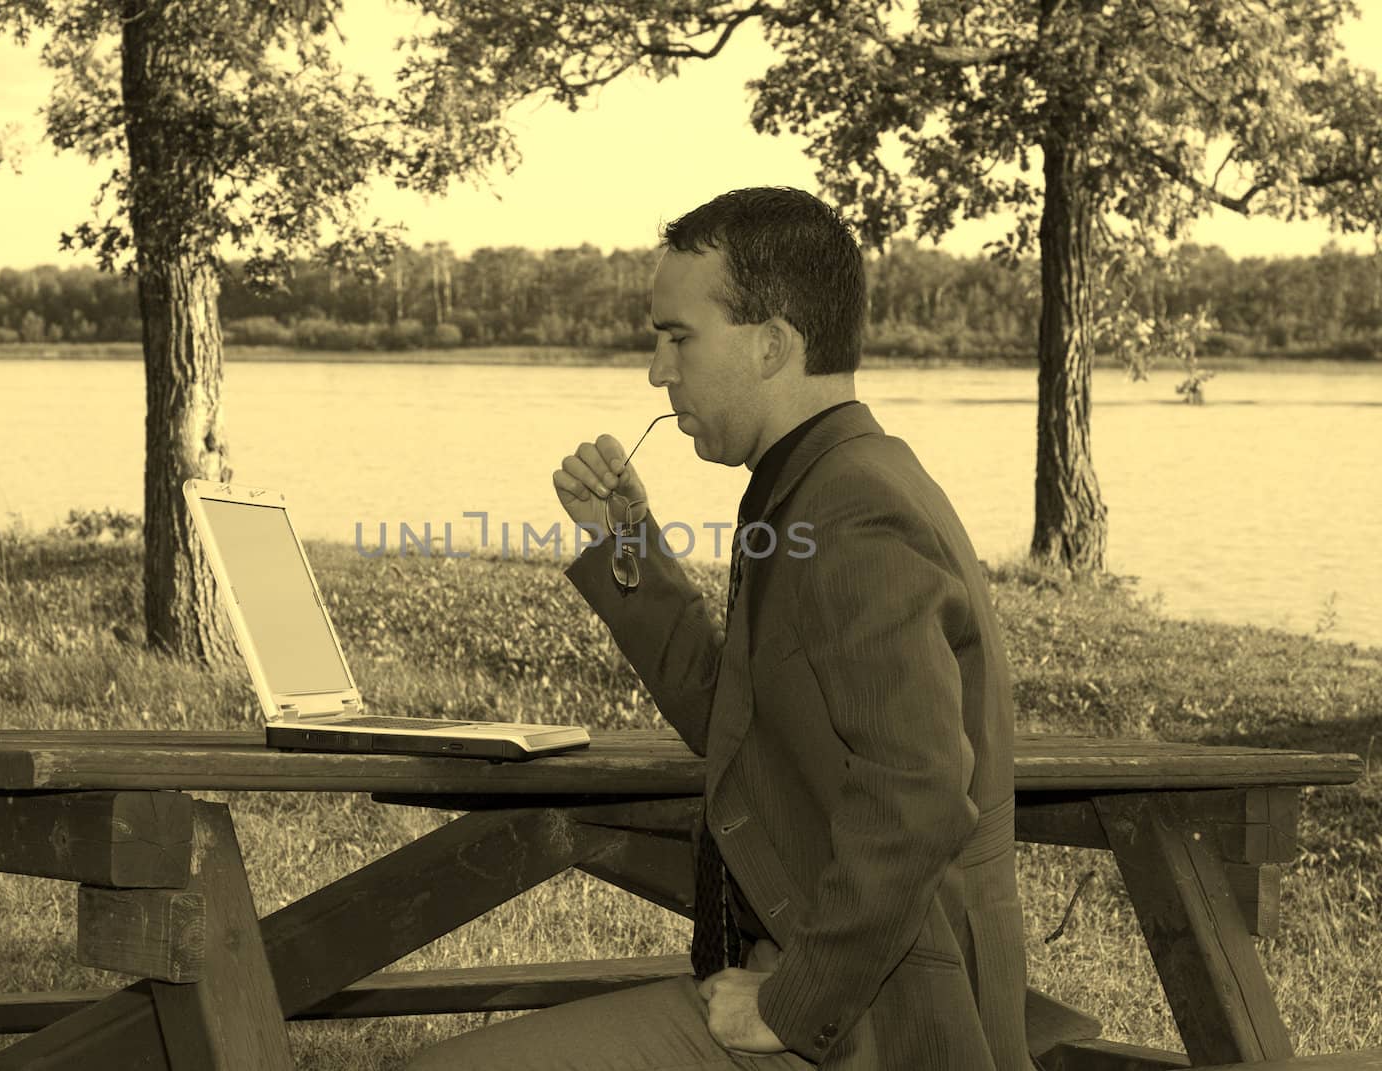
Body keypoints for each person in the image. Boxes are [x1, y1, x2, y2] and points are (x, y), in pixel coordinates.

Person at [402, 186, 1033, 1070]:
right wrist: (629, 544)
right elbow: (728, 718)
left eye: (677, 337)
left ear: (772, 343)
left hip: (882, 1018)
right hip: (819, 978)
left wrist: (793, 1000)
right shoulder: (814, 484)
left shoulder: (852, 510)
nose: (658, 372)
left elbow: (921, 791)